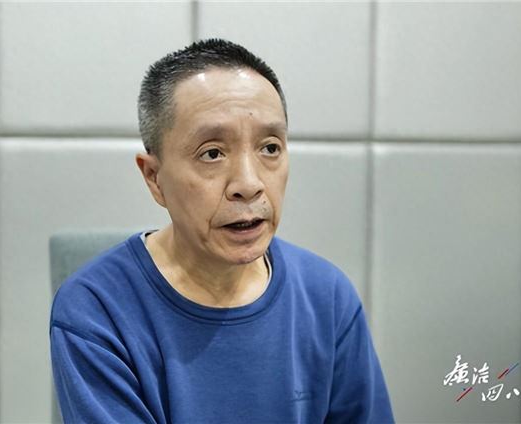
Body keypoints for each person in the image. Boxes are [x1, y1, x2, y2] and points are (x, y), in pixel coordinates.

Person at [50, 38, 394, 423]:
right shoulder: (97, 310)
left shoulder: (326, 297)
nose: (249, 184)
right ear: (154, 178)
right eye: (212, 153)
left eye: (270, 148)